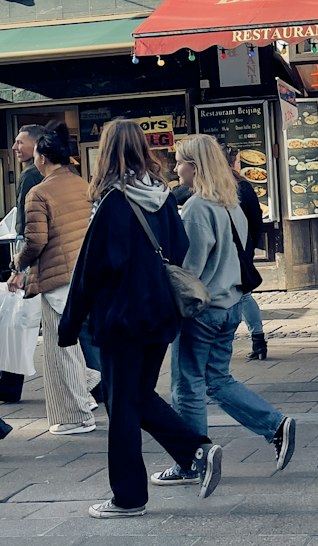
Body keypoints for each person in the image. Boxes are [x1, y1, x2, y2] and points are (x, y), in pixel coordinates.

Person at [58, 119, 223, 518]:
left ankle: (129, 496)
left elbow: (90, 270)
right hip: (159, 315)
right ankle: (195, 450)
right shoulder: (163, 196)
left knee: (123, 407)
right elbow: (180, 247)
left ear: (108, 151)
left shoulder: (114, 202)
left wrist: (69, 325)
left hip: (121, 319)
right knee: (137, 397)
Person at [160, 134, 295, 482]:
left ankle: (192, 460)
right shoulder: (230, 202)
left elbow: (190, 268)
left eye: (179, 162)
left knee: (187, 384)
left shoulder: (197, 207)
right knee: (217, 379)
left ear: (194, 166)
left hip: (203, 309)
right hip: (232, 303)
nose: (176, 169)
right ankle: (275, 424)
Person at [10, 126, 98, 435]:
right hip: (84, 274)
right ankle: (91, 385)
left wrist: (17, 265)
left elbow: (35, 241)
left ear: (43, 158)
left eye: (33, 154)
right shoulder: (80, 184)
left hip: (57, 279)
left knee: (61, 350)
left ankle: (76, 416)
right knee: (76, 343)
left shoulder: (39, 192)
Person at [1, 124, 46, 404]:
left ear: (38, 145)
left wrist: (19, 267)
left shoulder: (31, 175)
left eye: (21, 142)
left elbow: (28, 224)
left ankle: (10, 384)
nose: (16, 147)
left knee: (18, 320)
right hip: (47, 256)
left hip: (32, 255)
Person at [225, 148, 267, 361]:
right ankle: (258, 339)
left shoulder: (227, 189)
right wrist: (249, 246)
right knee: (244, 294)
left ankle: (226, 342)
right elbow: (256, 222)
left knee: (238, 295)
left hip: (232, 251)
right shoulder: (243, 187)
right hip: (243, 248)